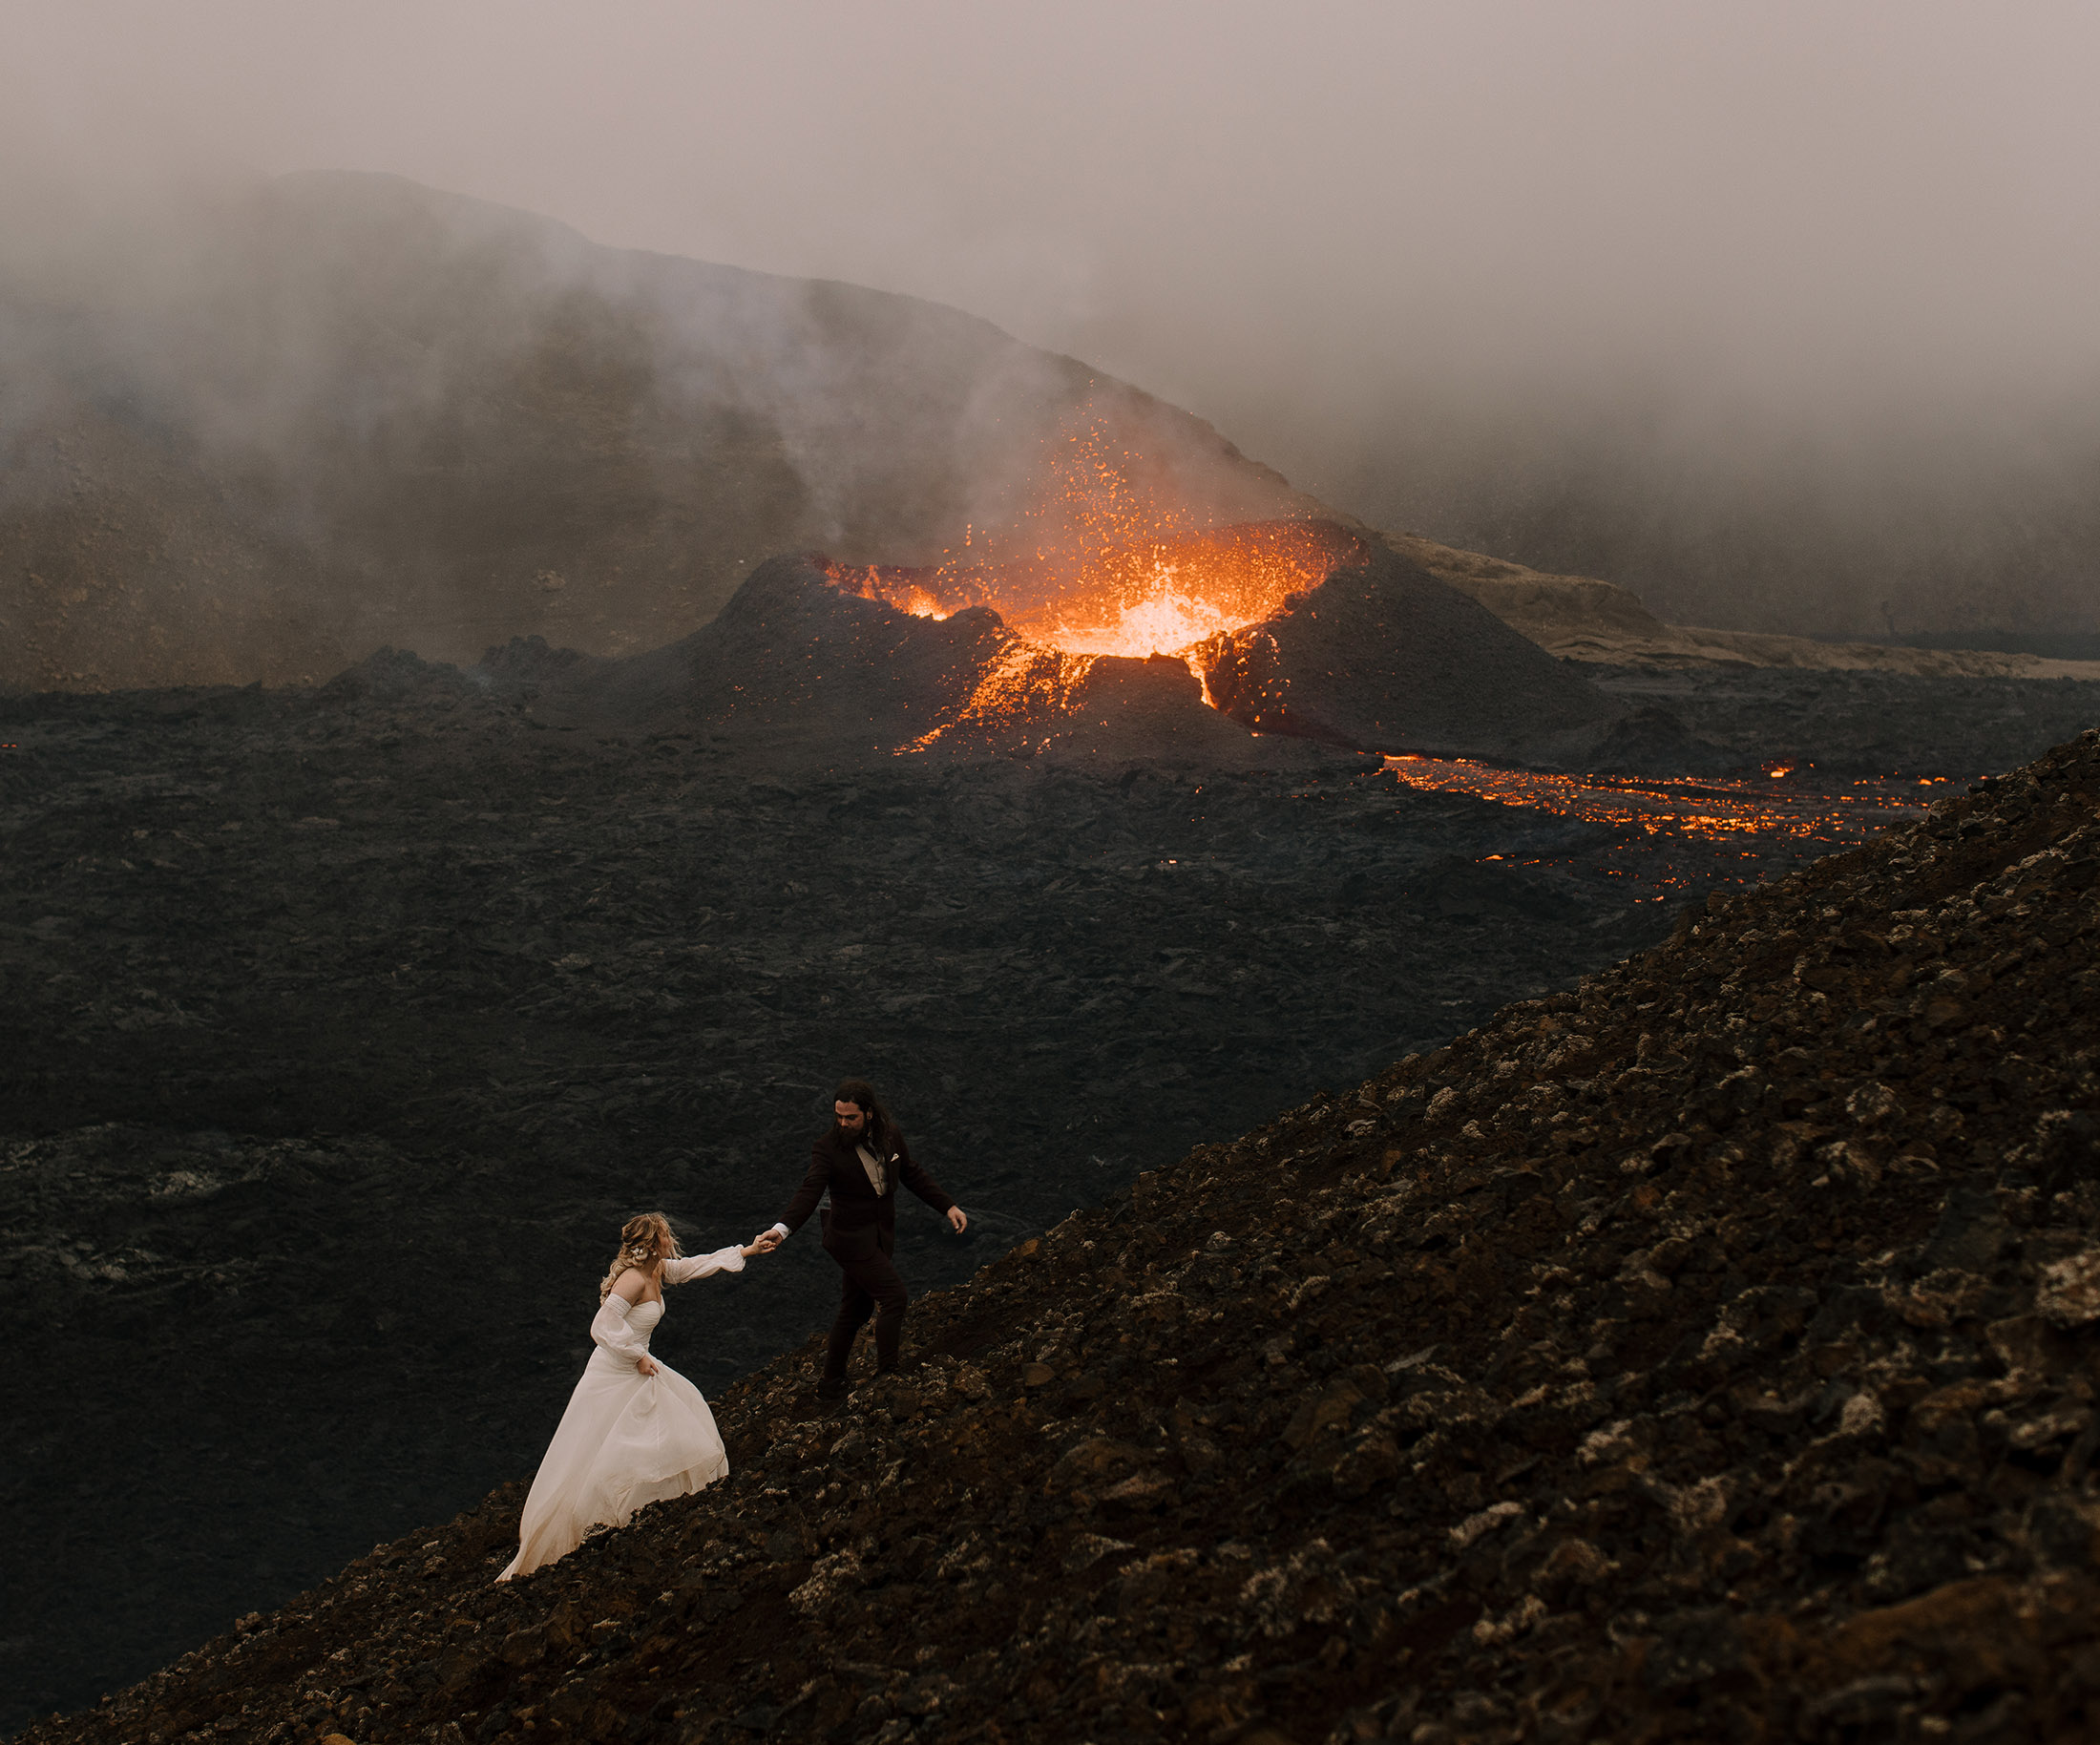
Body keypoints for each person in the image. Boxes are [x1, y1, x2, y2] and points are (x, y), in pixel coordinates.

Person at [497, 1211, 779, 1581]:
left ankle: (646, 1514)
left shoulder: (658, 1271)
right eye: (665, 1236)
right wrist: (638, 1355)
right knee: (597, 1451)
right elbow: (601, 1325)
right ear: (650, 1243)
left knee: (663, 1426)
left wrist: (748, 1251)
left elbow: (693, 1267)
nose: (670, 1240)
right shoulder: (632, 1280)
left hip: (637, 1366)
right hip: (614, 1373)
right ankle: (590, 1527)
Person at [765, 1080, 966, 1399]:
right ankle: (888, 1374)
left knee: (855, 1310)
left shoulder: (890, 1135)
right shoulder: (827, 1148)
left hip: (880, 1236)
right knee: (894, 1297)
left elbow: (911, 1173)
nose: (843, 1123)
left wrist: (948, 1206)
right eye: (839, 1116)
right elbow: (809, 1192)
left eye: (851, 1118)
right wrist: (781, 1229)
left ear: (869, 1114)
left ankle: (831, 1384)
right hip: (847, 1239)